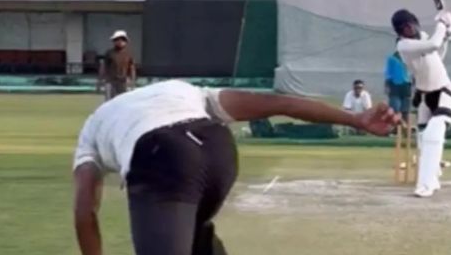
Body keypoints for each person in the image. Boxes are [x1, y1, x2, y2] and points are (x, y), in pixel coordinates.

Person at [73, 80, 399, 255]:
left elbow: (85, 211)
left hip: (161, 157)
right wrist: (355, 120)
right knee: (194, 229)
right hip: (218, 150)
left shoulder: (92, 127)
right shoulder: (179, 89)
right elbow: (279, 103)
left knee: (182, 215)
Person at [392, 8, 451, 198]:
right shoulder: (403, 46)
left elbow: (438, 54)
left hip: (444, 90)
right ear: (399, 32)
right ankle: (433, 176)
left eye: (409, 24)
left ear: (415, 22)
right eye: (403, 28)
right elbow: (433, 45)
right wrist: (443, 25)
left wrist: (447, 36)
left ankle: (425, 185)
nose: (408, 29)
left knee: (433, 135)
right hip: (424, 95)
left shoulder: (425, 38)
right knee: (424, 140)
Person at [97, 30, 136, 101]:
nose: (120, 41)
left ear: (125, 41)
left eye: (122, 39)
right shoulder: (109, 53)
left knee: (122, 102)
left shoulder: (129, 54)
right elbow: (103, 67)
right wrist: (99, 81)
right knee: (109, 102)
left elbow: (132, 68)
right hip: (111, 81)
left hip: (123, 82)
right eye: (117, 39)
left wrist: (132, 82)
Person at [384, 51, 412, 122]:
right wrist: (387, 86)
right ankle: (395, 127)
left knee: (405, 110)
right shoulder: (392, 59)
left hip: (406, 85)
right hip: (394, 85)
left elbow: (413, 72)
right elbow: (388, 73)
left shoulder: (409, 58)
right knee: (395, 108)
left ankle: (405, 128)